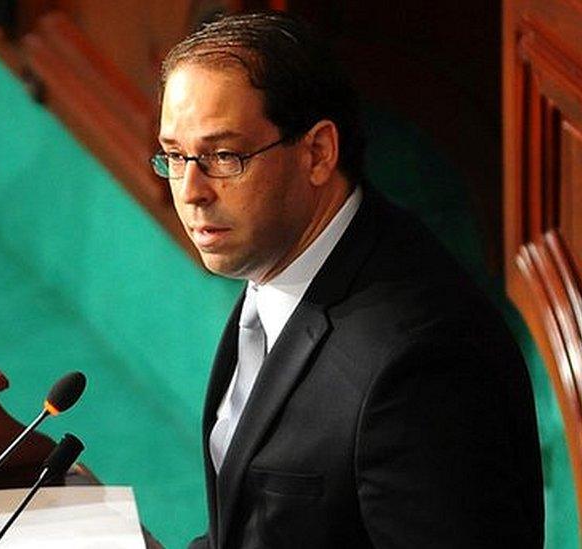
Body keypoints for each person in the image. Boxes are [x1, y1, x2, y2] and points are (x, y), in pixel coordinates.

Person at [151, 11, 544, 548]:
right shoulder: (281, 265)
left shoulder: (422, 360)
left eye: (223, 156)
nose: (191, 190)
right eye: (175, 156)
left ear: (317, 152)